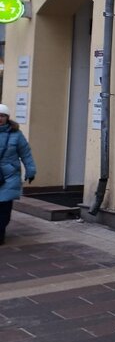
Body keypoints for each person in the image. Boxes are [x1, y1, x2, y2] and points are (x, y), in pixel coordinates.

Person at [0, 104, 36, 245]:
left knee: (4, 206)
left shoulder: (16, 134)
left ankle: (0, 232)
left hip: (9, 176)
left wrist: (31, 170)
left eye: (2, 115)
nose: (0, 118)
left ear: (7, 118)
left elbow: (25, 153)